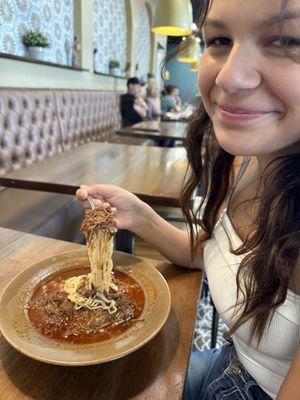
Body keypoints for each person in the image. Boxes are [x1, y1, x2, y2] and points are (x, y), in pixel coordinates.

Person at [76, 1, 300, 399]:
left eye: (286, 40)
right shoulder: (245, 161)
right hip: (226, 363)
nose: (228, 77)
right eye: (219, 40)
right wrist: (140, 216)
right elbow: (209, 252)